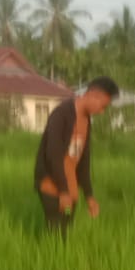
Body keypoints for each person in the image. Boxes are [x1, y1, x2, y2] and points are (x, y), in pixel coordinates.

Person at [34, 76, 119, 237]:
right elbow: (53, 155)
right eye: (102, 106)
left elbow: (83, 161)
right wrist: (63, 192)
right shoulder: (61, 114)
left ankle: (60, 259)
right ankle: (48, 259)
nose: (101, 111)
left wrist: (89, 196)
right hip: (52, 184)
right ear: (93, 95)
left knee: (66, 227)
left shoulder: (86, 120)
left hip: (70, 185)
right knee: (56, 231)